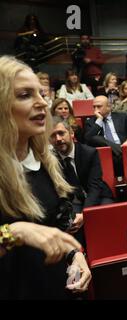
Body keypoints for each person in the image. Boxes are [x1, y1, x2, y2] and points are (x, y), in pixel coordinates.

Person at [0, 56, 91, 299]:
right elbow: (21, 233)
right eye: (24, 95)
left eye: (41, 93)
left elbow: (54, 227)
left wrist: (75, 254)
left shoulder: (47, 162)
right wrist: (14, 233)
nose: (42, 103)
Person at [50, 118, 114, 245]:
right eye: (52, 136)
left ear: (71, 133)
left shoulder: (89, 153)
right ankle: (82, 257)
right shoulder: (50, 160)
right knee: (73, 224)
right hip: (73, 201)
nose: (58, 139)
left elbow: (95, 187)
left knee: (104, 216)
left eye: (61, 133)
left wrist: (86, 213)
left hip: (98, 195)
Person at [84, 95, 127, 176]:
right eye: (94, 107)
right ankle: (121, 151)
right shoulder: (90, 122)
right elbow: (87, 139)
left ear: (109, 107)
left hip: (123, 149)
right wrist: (99, 120)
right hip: (104, 156)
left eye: (99, 106)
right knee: (96, 138)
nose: (96, 110)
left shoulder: (122, 117)